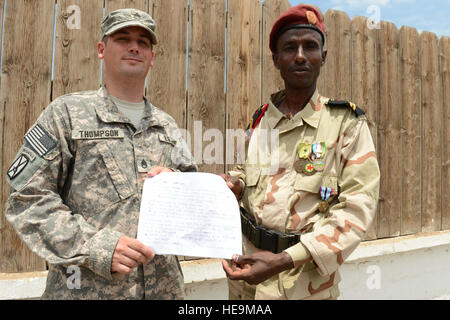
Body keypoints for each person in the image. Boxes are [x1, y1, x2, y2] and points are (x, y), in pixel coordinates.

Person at [4, 8, 196, 299]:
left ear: (152, 58)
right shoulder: (67, 114)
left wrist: (178, 183)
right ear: (101, 50)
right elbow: (27, 200)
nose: (134, 46)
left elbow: (192, 200)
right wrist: (98, 246)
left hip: (164, 291)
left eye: (143, 42)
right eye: (123, 38)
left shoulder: (166, 125)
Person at [221, 4, 380, 300]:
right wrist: (235, 183)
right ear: (276, 59)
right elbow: (246, 172)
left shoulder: (346, 124)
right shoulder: (260, 121)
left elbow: (358, 209)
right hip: (246, 277)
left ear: (323, 57)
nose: (300, 55)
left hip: (304, 285)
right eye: (289, 47)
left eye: (310, 46)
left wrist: (284, 260)